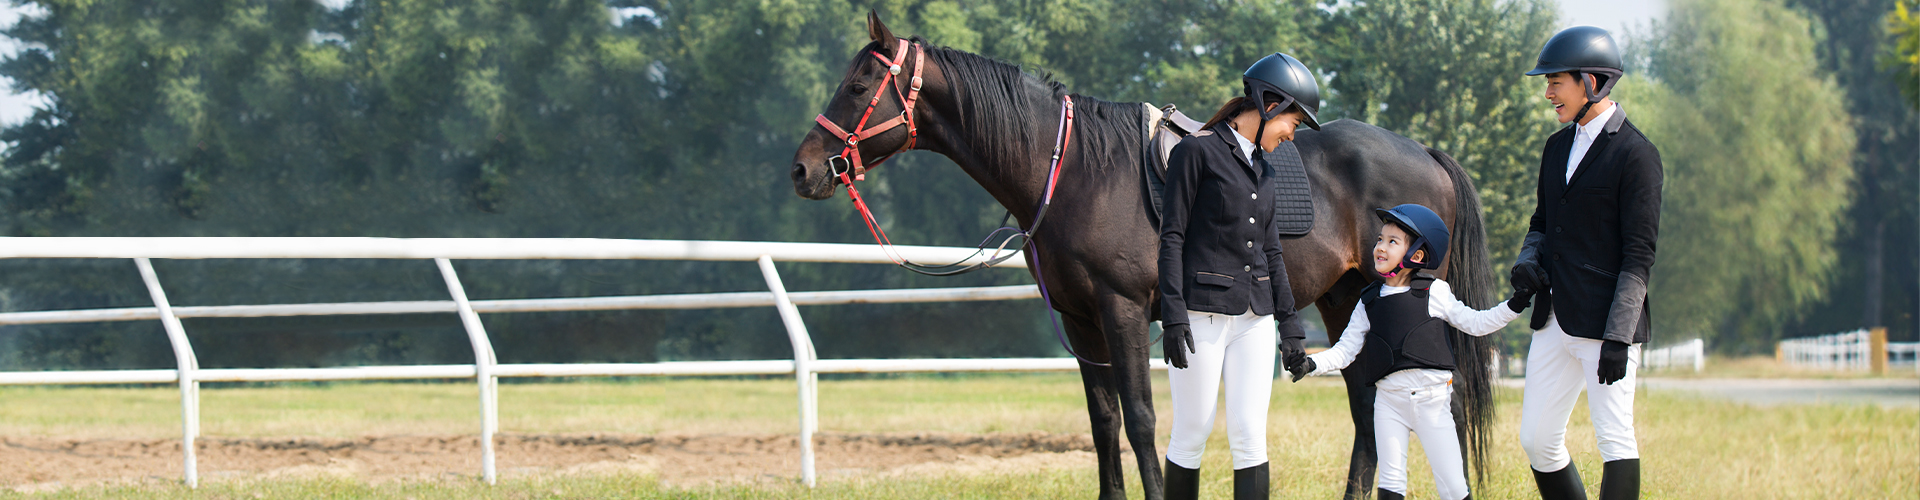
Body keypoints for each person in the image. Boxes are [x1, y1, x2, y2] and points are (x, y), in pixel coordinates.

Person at [1287, 204, 1535, 500]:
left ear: (1416, 255)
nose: (1380, 247)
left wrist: (1515, 305)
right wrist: (1310, 363)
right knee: (1390, 485)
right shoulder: (1369, 301)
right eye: (1380, 239)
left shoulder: (1435, 292)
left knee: (1454, 488)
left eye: (1392, 242)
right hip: (1389, 403)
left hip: (1433, 403)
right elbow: (1345, 351)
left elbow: (1476, 322)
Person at [1510, 26, 1663, 500]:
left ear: (1592, 83)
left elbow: (1639, 256)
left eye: (1557, 80)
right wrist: (1526, 260)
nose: (1548, 91)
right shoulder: (1556, 147)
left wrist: (1619, 335)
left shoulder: (1637, 155)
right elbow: (1541, 221)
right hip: (1554, 316)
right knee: (1536, 439)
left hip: (1606, 324)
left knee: (1614, 439)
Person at [1156, 52, 1316, 500]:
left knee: (1250, 436)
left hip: (1255, 319)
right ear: (1269, 105)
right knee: (1192, 431)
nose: (1292, 135)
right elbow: (1171, 239)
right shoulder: (1196, 152)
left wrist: (1292, 329)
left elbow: (1271, 252)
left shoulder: (1267, 170)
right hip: (1201, 315)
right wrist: (1172, 316)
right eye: (1294, 123)